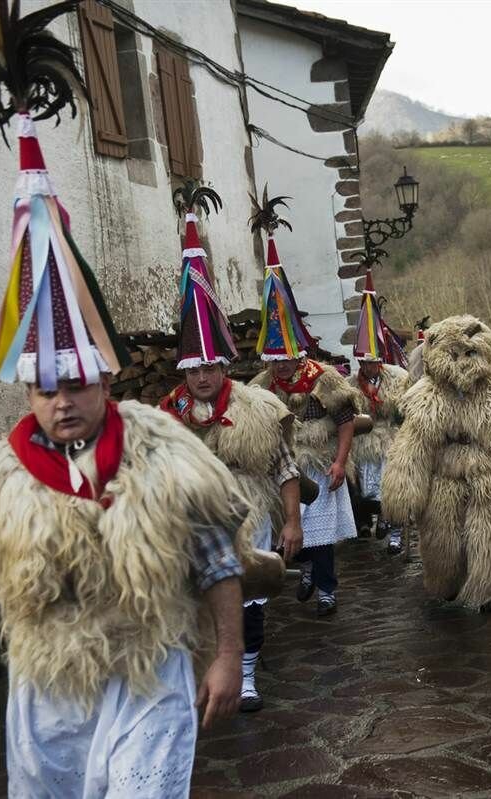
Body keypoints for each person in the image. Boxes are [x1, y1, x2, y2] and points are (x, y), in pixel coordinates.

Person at [0, 21, 250, 792]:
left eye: (77, 383)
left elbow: (215, 558)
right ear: (28, 391)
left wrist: (228, 655)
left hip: (148, 671)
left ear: (107, 377)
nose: (64, 400)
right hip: (48, 693)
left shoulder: (164, 455)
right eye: (47, 388)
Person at [159, 187, 302, 712]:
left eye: (208, 367)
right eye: (192, 369)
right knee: (192, 601)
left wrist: (292, 522)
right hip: (190, 521)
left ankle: (244, 675)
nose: (200, 376)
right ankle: (200, 671)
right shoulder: (164, 416)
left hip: (247, 512)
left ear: (223, 366)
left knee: (249, 595)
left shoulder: (258, 407)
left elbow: (284, 467)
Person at [382, 316, 491, 610]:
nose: (461, 362)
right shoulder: (425, 396)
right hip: (443, 477)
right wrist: (403, 492)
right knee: (442, 540)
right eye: (454, 354)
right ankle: (446, 581)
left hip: (489, 476)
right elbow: (412, 446)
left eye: (469, 353)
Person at [247, 193, 358, 617]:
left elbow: (346, 418)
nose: (280, 366)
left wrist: (339, 461)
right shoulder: (260, 385)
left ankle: (327, 586)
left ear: (297, 351)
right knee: (289, 529)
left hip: (318, 463)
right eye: (273, 360)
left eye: (285, 358)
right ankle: (306, 570)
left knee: (321, 533)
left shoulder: (322, 378)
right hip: (281, 466)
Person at [349, 269, 411, 554]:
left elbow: (406, 408)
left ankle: (396, 530)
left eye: (371, 362)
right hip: (365, 442)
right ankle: (382, 518)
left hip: (393, 440)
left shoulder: (397, 377)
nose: (367, 367)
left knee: (395, 488)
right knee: (370, 491)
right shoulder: (351, 384)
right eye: (363, 362)